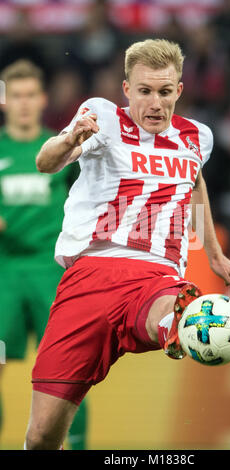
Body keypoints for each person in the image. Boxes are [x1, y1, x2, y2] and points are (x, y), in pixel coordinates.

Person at [24, 39, 230, 450]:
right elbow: (46, 162)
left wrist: (215, 256)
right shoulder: (103, 118)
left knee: (180, 307)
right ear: (127, 89)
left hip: (156, 275)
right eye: (144, 91)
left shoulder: (198, 138)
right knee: (41, 436)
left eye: (165, 92)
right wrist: (72, 138)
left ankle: (179, 327)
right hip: (90, 276)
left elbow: (194, 183)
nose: (155, 103)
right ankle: (176, 325)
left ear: (178, 91)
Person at [0, 60, 88, 450]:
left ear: (42, 99)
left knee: (69, 374)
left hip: (52, 275)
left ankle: (79, 445)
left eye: (29, 95)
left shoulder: (61, 149)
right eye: (15, 95)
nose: (22, 103)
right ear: (5, 101)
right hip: (3, 276)